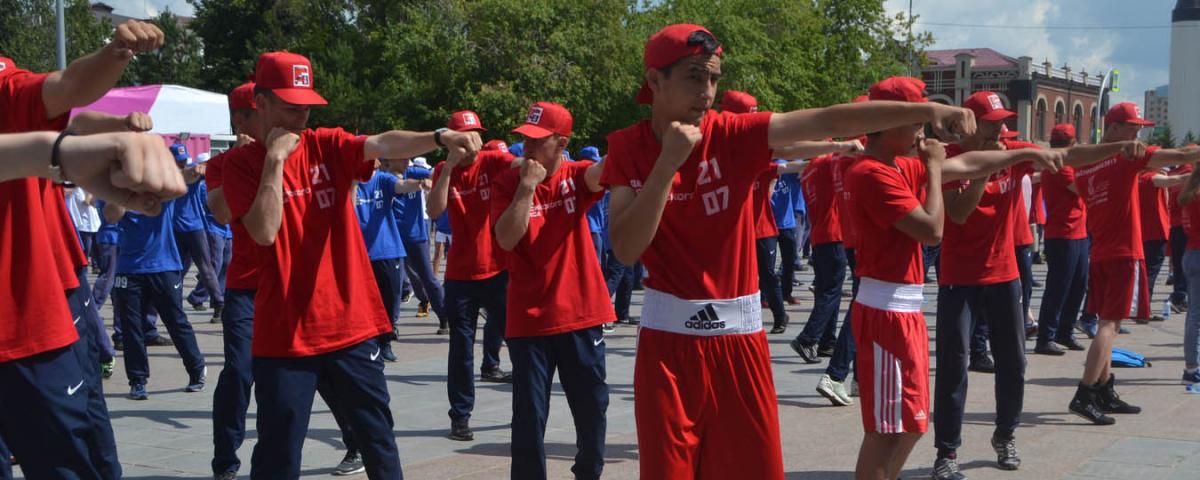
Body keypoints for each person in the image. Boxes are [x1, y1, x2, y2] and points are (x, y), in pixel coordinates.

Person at [603, 22, 977, 477]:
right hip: (667, 347)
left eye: (714, 79)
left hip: (739, 343)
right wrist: (667, 166)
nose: (706, 92)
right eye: (694, 77)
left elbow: (826, 119)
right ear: (655, 80)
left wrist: (922, 109)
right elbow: (624, 249)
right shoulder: (627, 147)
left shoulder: (733, 134)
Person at [222, 51, 482, 478]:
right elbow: (264, 232)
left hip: (350, 327)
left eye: (307, 107)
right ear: (261, 103)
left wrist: (438, 136)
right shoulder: (240, 166)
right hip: (285, 336)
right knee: (277, 454)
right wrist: (274, 161)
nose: (301, 118)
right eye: (291, 106)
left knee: (377, 439)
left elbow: (383, 142)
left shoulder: (325, 145)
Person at [929, 92, 1129, 479]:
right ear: (968, 123)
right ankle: (947, 453)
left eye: (1003, 121)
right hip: (960, 278)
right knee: (954, 368)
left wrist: (1118, 148)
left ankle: (1005, 435)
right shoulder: (949, 158)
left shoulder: (1013, 149)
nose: (1000, 129)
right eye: (991, 122)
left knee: (1014, 363)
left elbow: (1069, 157)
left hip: (1005, 275)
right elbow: (957, 212)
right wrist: (990, 166)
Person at [0, 20, 168, 478]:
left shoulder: (6, 85)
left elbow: (71, 94)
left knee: (78, 452)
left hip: (31, 309)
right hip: (33, 312)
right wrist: (56, 153)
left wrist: (115, 55)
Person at [491, 101, 612, 480]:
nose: (527, 148)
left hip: (581, 314)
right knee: (528, 417)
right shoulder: (508, 183)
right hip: (529, 321)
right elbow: (507, 239)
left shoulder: (576, 176)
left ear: (561, 143)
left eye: (537, 141)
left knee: (592, 407)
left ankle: (588, 472)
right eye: (524, 140)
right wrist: (526, 187)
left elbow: (601, 174)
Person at [1068, 102, 1200, 426]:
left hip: (1101, 251)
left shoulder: (1086, 164)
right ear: (1113, 127)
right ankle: (1084, 393)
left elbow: (1076, 178)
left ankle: (1103, 389)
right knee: (1109, 326)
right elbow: (1183, 156)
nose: (1138, 131)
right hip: (1124, 251)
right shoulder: (1125, 156)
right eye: (1132, 125)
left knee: (1105, 321)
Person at [427, 110, 516, 442]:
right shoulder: (442, 170)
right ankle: (460, 417)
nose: (471, 143)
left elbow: (523, 166)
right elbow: (434, 210)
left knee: (518, 340)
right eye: (464, 136)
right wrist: (449, 165)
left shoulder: (493, 161)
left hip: (499, 269)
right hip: (461, 276)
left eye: (475, 134)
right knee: (460, 350)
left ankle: (522, 407)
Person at [791, 140, 866, 361]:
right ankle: (808, 338)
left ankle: (826, 341)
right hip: (834, 233)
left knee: (827, 291)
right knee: (831, 292)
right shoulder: (826, 162)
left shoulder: (808, 170)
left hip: (820, 236)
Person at [355, 163, 425, 361]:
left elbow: (401, 185)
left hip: (386, 250)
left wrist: (419, 183)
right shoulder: (350, 184)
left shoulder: (382, 179)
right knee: (362, 302)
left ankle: (385, 341)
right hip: (359, 254)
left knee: (390, 300)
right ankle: (367, 343)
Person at [1035, 124, 1090, 354]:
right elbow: (1083, 190)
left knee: (1078, 285)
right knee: (1059, 287)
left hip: (1077, 232)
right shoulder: (1062, 167)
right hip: (1064, 234)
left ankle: (1064, 332)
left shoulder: (1064, 164)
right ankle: (1046, 337)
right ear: (1072, 144)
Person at [388, 157, 445, 329]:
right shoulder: (383, 177)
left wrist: (431, 181)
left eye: (408, 157)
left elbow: (436, 172)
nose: (406, 161)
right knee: (395, 283)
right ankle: (391, 326)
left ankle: (445, 316)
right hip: (393, 237)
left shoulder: (412, 171)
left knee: (428, 278)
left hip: (416, 235)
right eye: (402, 157)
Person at [171, 144, 225, 317]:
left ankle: (218, 303)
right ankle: (174, 303)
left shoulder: (192, 173)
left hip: (195, 227)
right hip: (176, 228)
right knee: (178, 269)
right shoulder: (167, 176)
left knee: (206, 266)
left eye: (183, 160)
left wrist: (204, 167)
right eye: (178, 161)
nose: (181, 163)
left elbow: (206, 169)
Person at [1137, 165, 1187, 323]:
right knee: (1151, 272)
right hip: (1156, 230)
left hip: (1146, 230)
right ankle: (1143, 311)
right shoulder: (1151, 178)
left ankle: (1141, 309)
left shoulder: (1139, 178)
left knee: (1146, 272)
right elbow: (1174, 180)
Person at [1176, 168, 1200, 387]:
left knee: (1194, 314)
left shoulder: (1190, 194)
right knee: (1195, 316)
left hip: (1191, 253)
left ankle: (1192, 365)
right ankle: (1192, 367)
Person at [1168, 162, 1194, 314]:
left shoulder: (1174, 175)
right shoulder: (1191, 175)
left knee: (1179, 263)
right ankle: (1181, 296)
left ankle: (1179, 296)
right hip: (1189, 227)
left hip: (1176, 224)